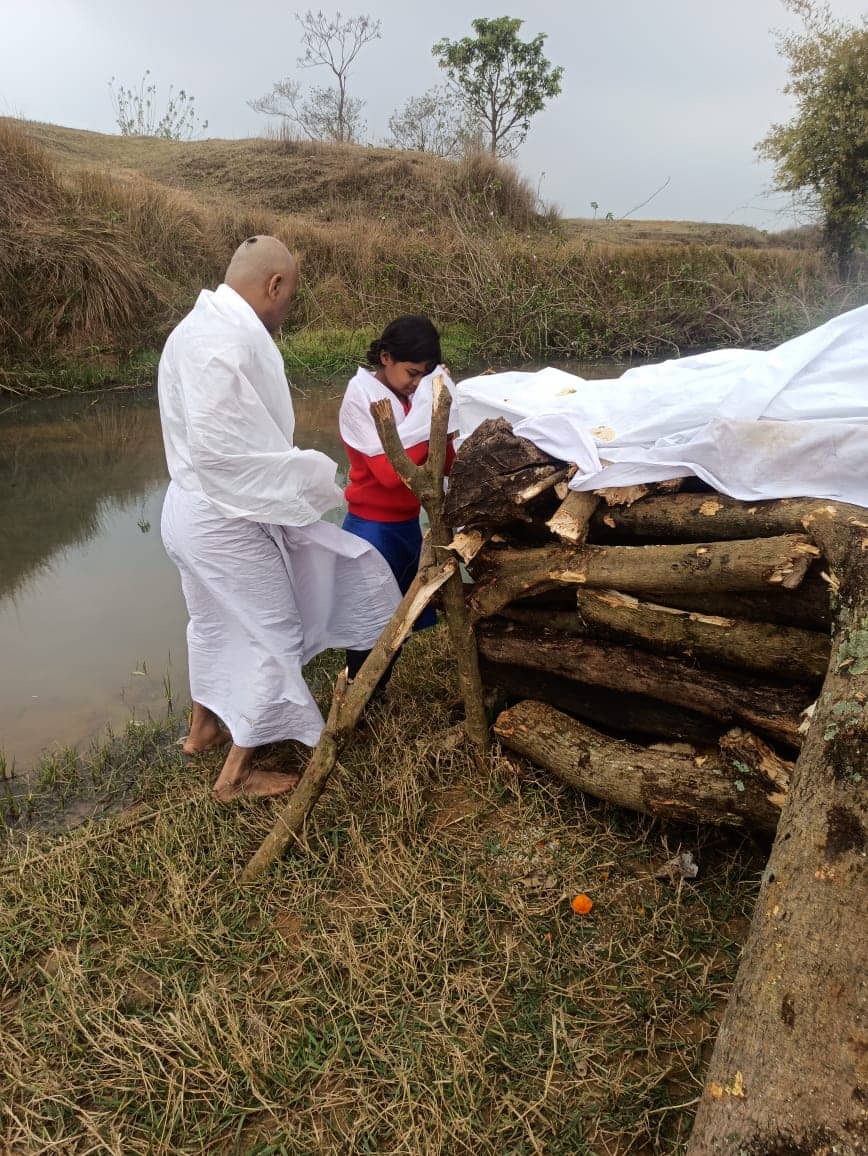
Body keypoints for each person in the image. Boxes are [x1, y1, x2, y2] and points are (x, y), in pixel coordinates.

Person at [158, 236, 401, 802]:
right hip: (221, 520)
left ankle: (204, 730)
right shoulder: (226, 341)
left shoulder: (193, 329)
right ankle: (236, 775)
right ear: (274, 286)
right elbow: (226, 457)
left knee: (213, 623)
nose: (286, 313)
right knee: (276, 633)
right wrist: (311, 478)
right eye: (289, 299)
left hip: (186, 510)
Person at [338, 315, 458, 684]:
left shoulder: (414, 397)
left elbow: (446, 462)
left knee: (400, 618)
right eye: (411, 373)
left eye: (425, 375)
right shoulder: (361, 396)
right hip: (371, 529)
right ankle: (360, 699)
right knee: (368, 625)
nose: (416, 383)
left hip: (406, 526)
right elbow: (391, 476)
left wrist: (441, 409)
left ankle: (377, 692)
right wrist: (429, 410)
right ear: (386, 357)